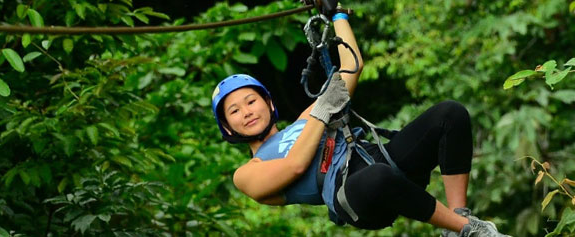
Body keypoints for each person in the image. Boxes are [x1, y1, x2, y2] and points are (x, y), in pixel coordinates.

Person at [210, 9, 510, 237]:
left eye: (251, 101)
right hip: (352, 194)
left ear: (269, 104)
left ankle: (460, 219)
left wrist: (335, 14)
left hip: (378, 157)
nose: (246, 111)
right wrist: (323, 112)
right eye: (234, 111)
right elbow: (295, 166)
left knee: (450, 113)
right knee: (377, 176)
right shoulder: (247, 173)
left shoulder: (303, 121)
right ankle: (466, 230)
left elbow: (351, 69)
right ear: (227, 127)